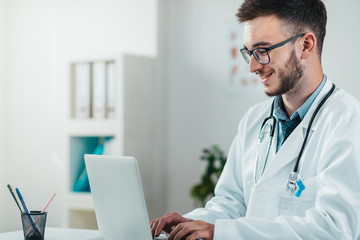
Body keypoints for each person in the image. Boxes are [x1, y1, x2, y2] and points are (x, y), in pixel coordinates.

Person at [150, 0, 360, 239]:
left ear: (306, 45)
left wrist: (223, 233)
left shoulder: (347, 121)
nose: (252, 66)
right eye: (249, 52)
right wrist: (193, 224)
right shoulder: (255, 119)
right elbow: (232, 202)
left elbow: (334, 229)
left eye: (262, 51)